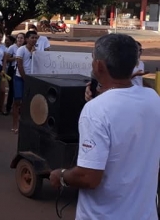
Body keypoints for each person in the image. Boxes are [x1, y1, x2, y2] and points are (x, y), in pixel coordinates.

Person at [50, 34, 160, 219]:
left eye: (93, 58)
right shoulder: (153, 99)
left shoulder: (95, 110)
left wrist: (60, 176)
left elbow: (89, 177)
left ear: (99, 65)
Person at [12, 30, 37, 133]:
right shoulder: (21, 50)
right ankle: (15, 125)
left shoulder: (36, 50)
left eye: (36, 38)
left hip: (32, 79)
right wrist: (25, 78)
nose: (34, 40)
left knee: (28, 102)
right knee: (17, 102)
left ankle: (25, 124)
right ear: (27, 39)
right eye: (32, 38)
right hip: (20, 78)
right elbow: (20, 65)